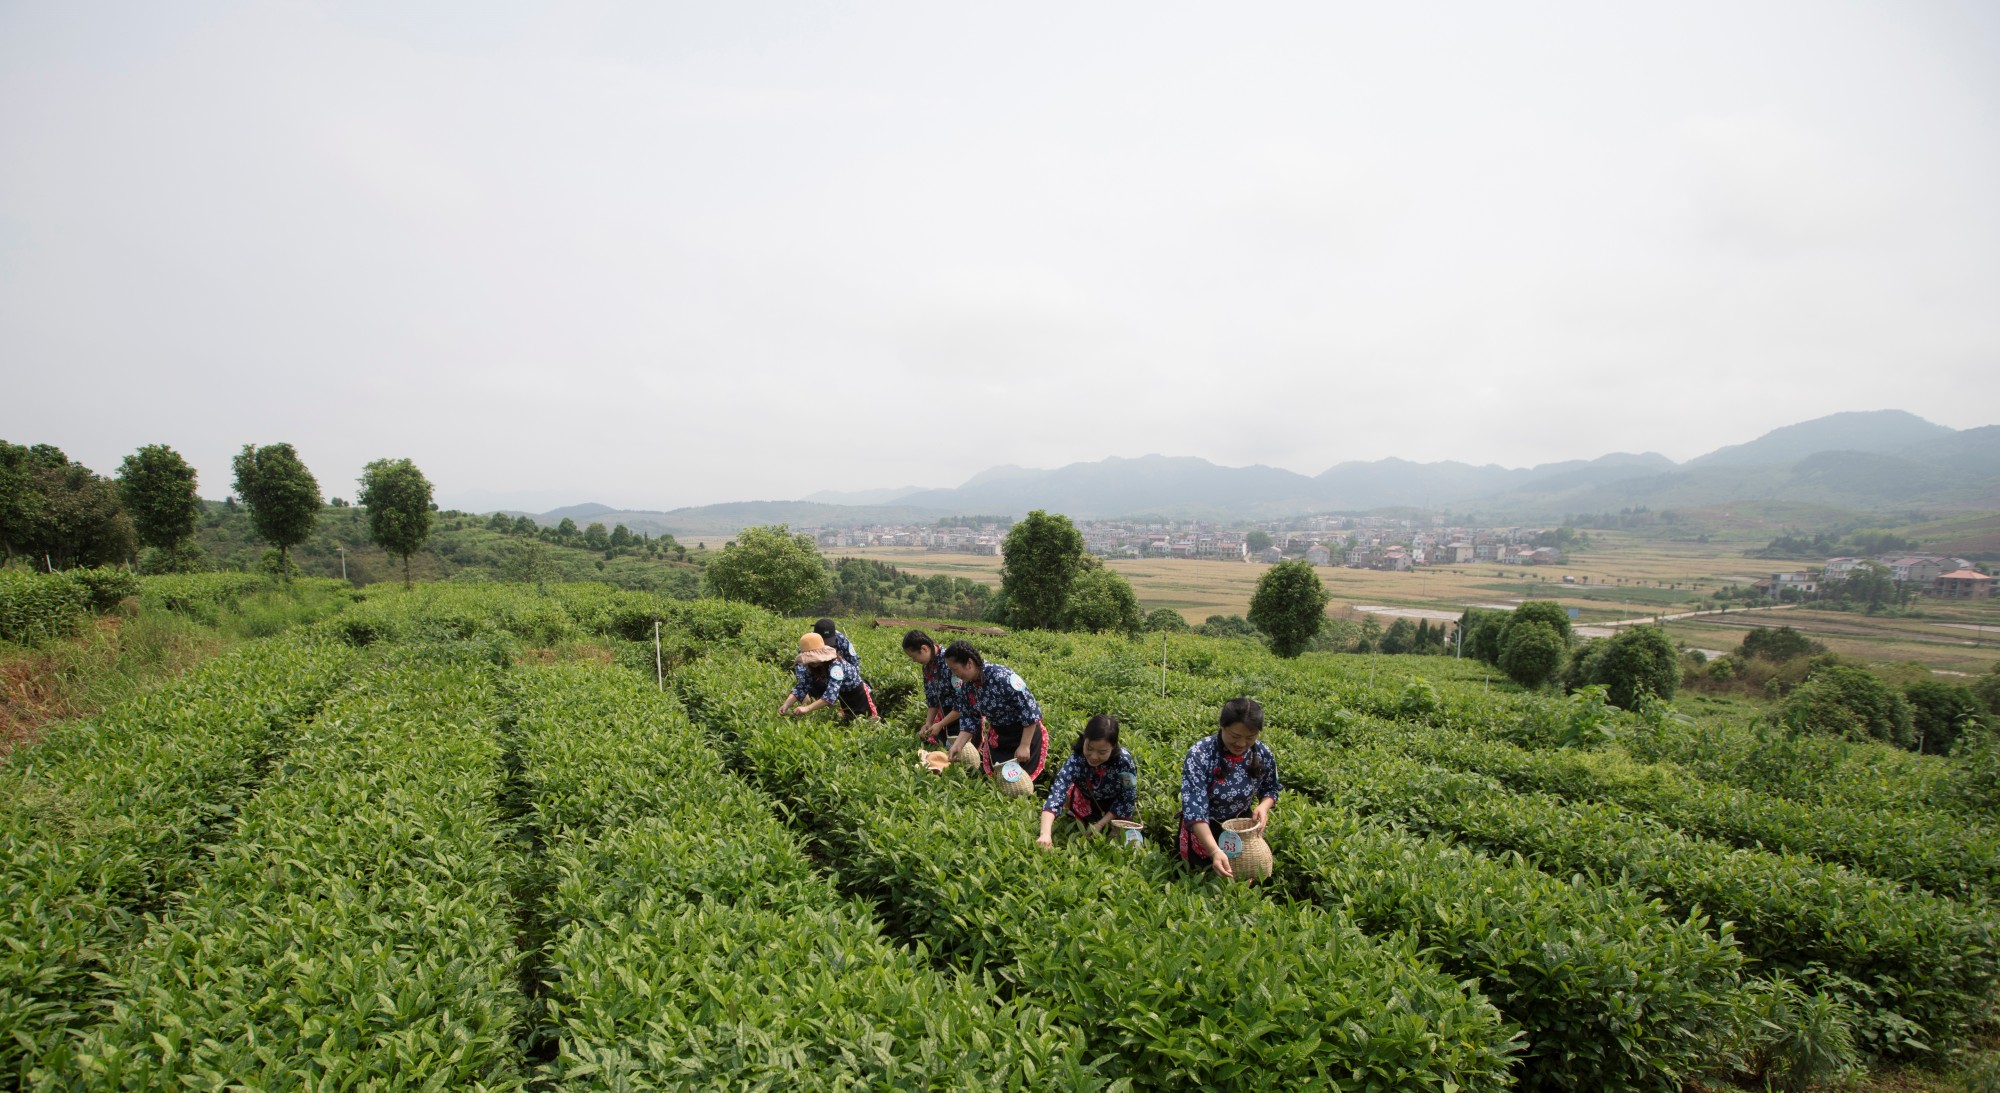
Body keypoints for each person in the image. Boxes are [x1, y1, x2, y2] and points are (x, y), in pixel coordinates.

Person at [1176, 697, 1280, 878]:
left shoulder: (1262, 753)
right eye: (1235, 736)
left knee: (1244, 878)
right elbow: (1195, 809)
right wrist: (1214, 851)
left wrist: (1263, 807)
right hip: (1205, 828)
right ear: (1222, 726)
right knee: (1201, 879)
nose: (1241, 744)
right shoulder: (1200, 754)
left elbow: (1271, 788)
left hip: (1241, 827)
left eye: (1250, 737)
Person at [937, 641, 1048, 782]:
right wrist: (957, 746)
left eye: (955, 669)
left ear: (969, 663)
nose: (954, 674)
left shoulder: (1003, 677)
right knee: (1001, 784)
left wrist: (1024, 745)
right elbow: (969, 718)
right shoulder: (968, 686)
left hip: (1024, 735)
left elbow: (1030, 710)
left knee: (1023, 785)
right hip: (1000, 738)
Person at [1036, 714, 1138, 848]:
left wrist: (1101, 824)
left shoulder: (1124, 761)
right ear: (1084, 739)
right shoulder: (1077, 759)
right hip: (1086, 802)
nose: (1094, 756)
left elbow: (1127, 796)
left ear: (1113, 747)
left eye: (1102, 752)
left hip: (1114, 808)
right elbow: (1058, 791)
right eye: (1089, 748)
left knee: (1116, 841)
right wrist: (1045, 834)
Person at [777, 632, 878, 720]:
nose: (811, 662)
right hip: (843, 696)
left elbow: (830, 696)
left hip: (859, 696)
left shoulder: (836, 666)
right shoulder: (812, 667)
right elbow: (802, 686)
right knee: (851, 723)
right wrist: (786, 705)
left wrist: (807, 708)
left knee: (869, 722)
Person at [901, 629, 955, 745]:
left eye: (914, 657)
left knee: (958, 752)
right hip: (945, 716)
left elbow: (964, 704)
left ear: (924, 648)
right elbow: (932, 699)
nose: (914, 661)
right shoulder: (927, 667)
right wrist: (928, 723)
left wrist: (940, 724)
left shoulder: (949, 662)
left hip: (962, 716)